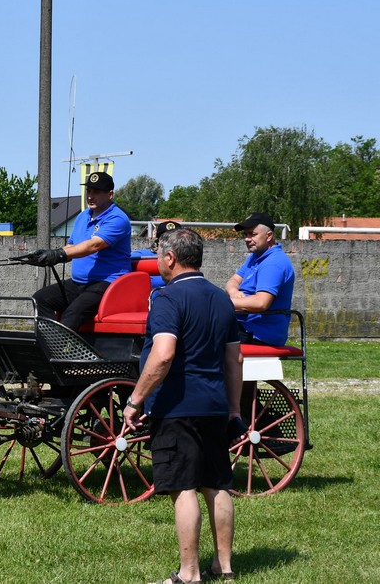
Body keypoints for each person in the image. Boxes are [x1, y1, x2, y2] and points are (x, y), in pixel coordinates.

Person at [123, 227, 243, 584]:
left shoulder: (167, 299)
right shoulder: (223, 299)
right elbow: (233, 360)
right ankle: (224, 566)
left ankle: (189, 574)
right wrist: (234, 408)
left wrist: (135, 400)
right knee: (217, 484)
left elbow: (163, 356)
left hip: (177, 406)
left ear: (171, 258)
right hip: (214, 405)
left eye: (159, 254)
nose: (158, 260)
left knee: (184, 487)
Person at [21, 171, 132, 331]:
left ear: (110, 194)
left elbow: (94, 245)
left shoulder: (117, 219)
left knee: (72, 313)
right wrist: (50, 254)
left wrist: (60, 254)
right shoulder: (82, 217)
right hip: (79, 283)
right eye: (89, 191)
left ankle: (57, 351)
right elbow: (71, 246)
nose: (90, 196)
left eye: (97, 192)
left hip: (106, 284)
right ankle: (45, 345)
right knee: (40, 299)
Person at [225, 212, 295, 346]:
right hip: (245, 326)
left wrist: (223, 303)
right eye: (246, 234)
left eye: (252, 234)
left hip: (260, 333)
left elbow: (261, 303)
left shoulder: (273, 263)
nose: (247, 239)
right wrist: (234, 292)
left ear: (269, 236)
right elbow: (233, 281)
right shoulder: (255, 257)